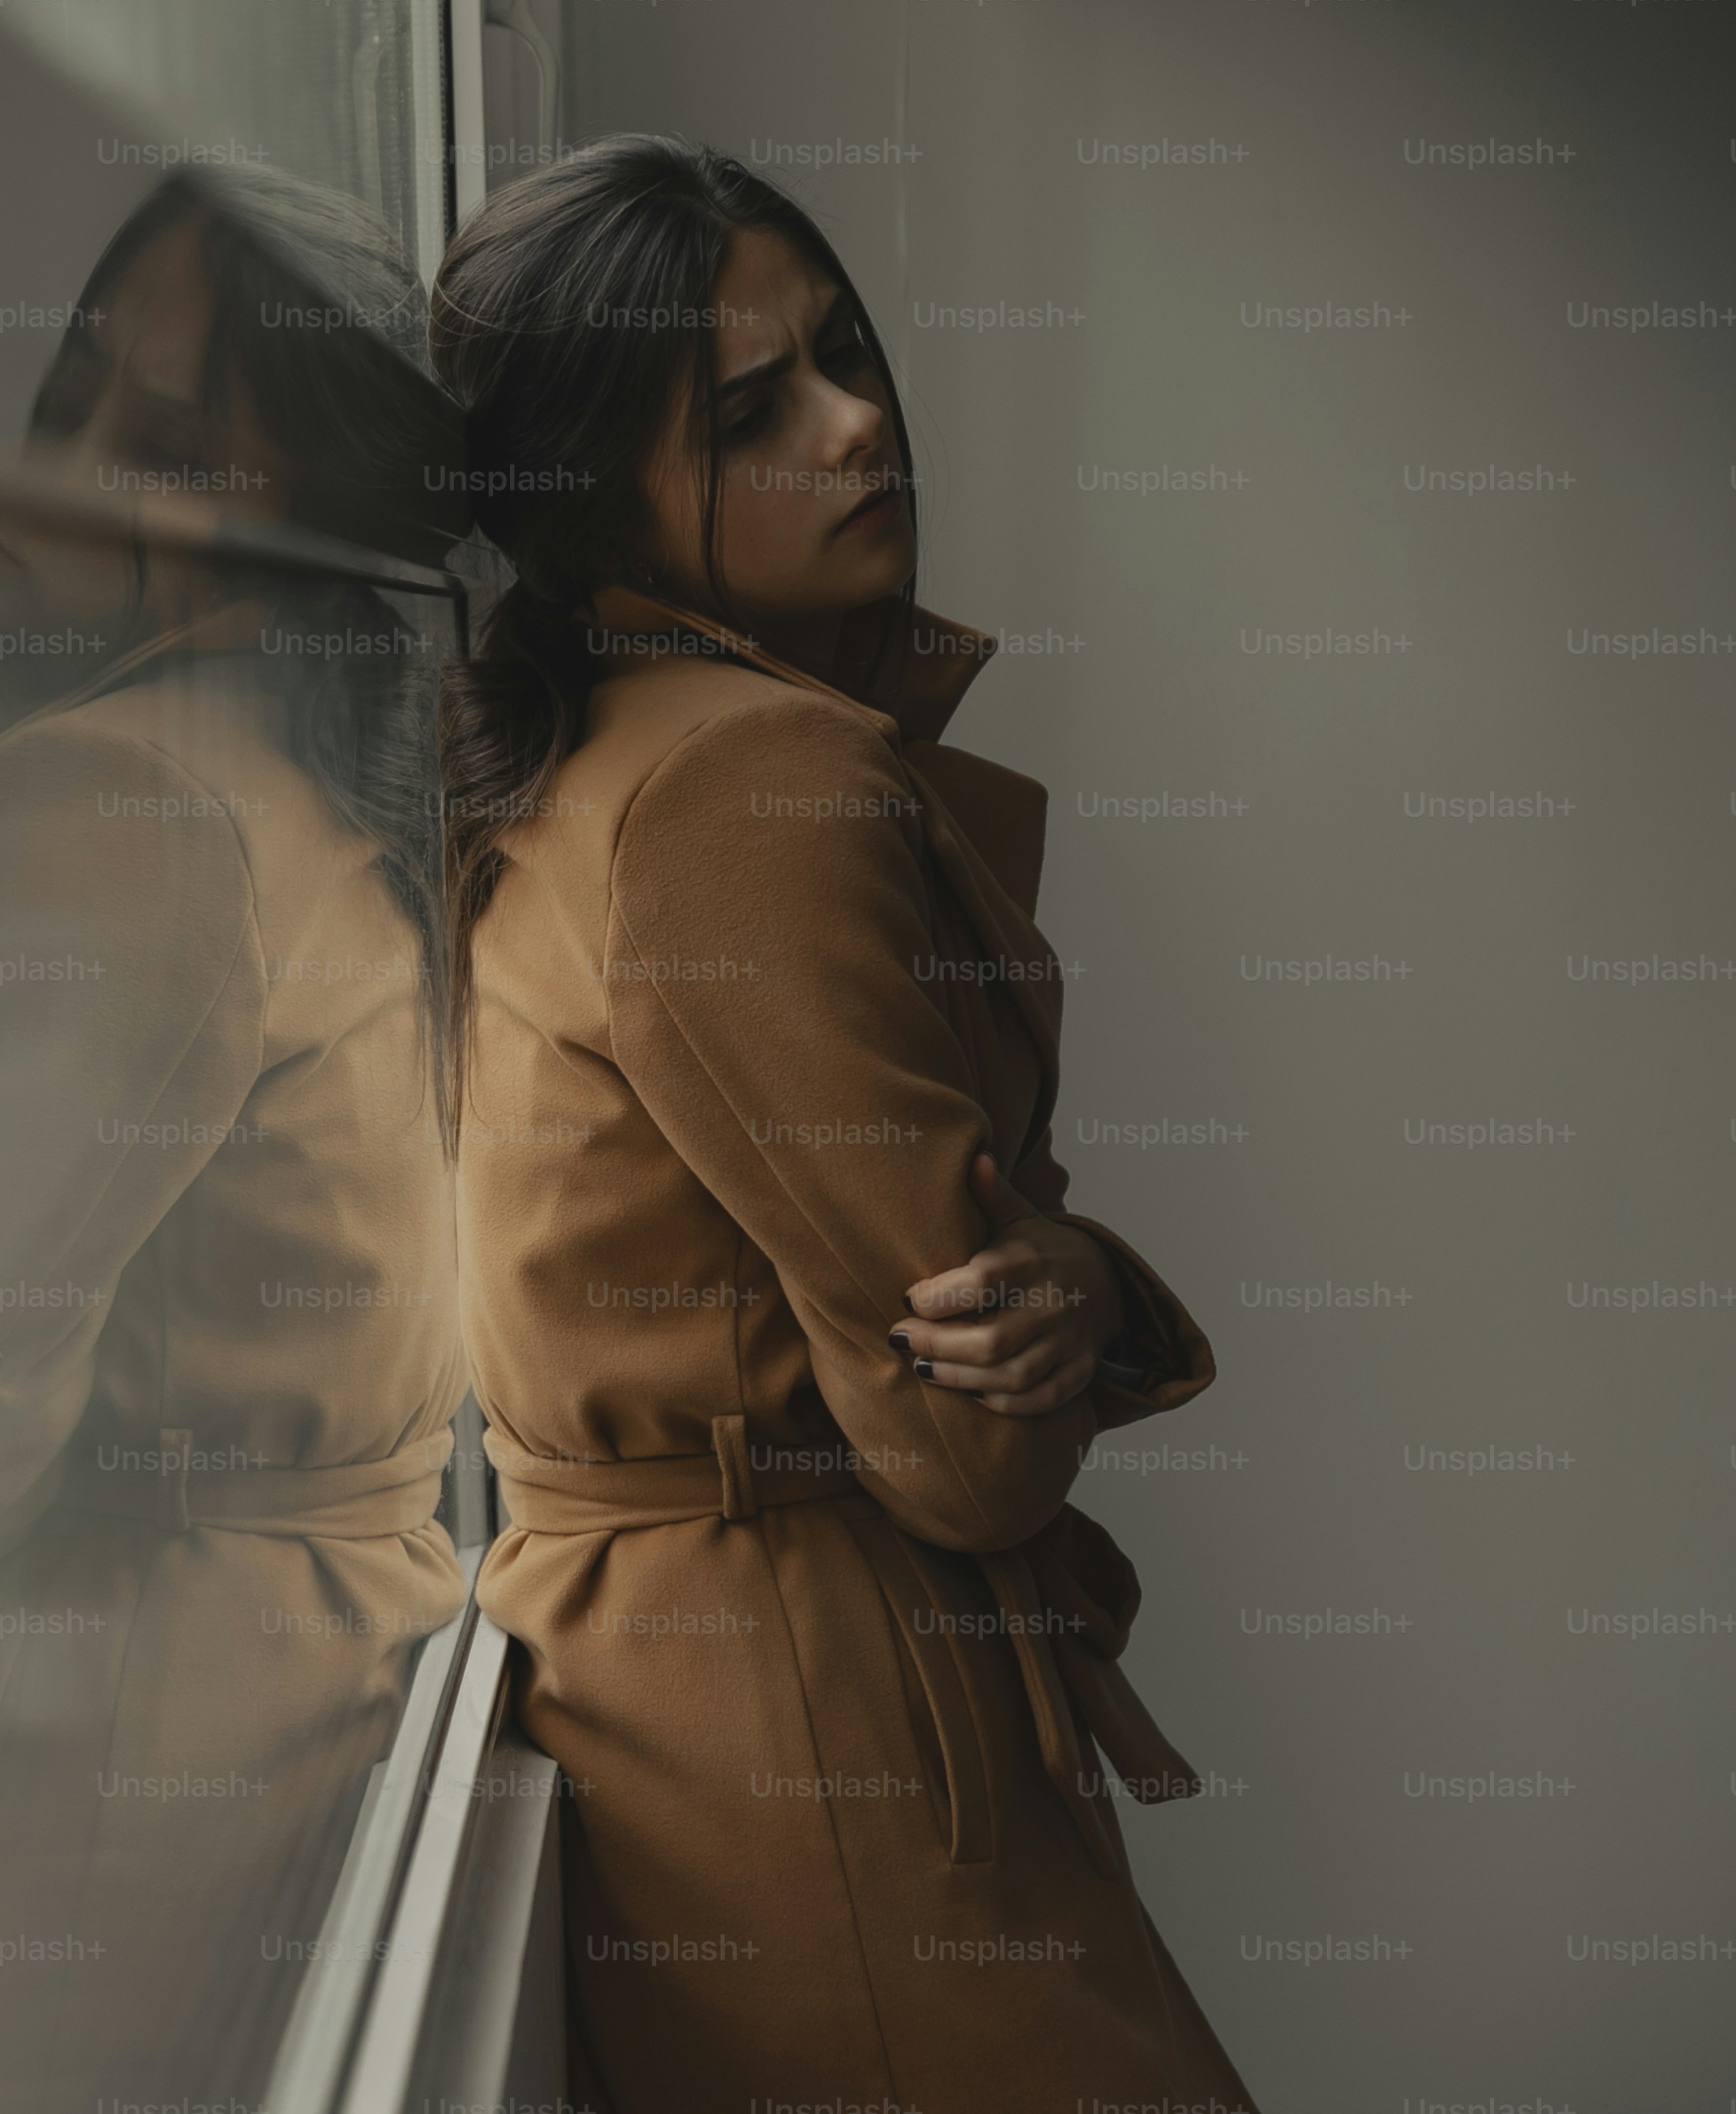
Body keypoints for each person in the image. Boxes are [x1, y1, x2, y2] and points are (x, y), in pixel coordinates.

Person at [426, 134, 1254, 2110]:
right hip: (834, 1738)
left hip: (696, 1714)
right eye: (749, 407)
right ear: (588, 491)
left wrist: (1061, 1286)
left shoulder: (591, 751)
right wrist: (1070, 1304)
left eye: (846, 351)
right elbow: (969, 1455)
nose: (858, 418)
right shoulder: (741, 784)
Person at [0, 166, 469, 2114]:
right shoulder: (342, 783)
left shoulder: (110, 809)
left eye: (163, 447)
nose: (37, 472)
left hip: (91, 1766)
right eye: (65, 398)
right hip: (301, 1698)